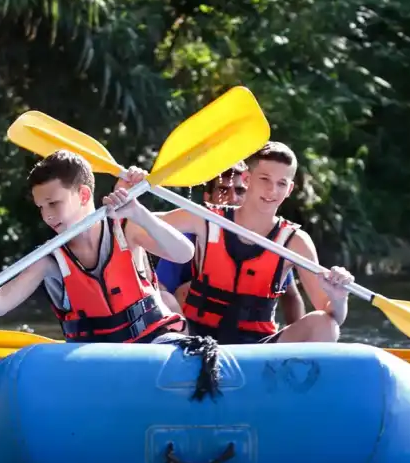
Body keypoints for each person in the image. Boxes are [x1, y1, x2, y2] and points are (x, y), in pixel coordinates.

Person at [0, 150, 194, 344]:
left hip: (152, 344)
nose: (48, 216)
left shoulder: (126, 228)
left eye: (53, 203)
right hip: (96, 357)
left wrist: (140, 214)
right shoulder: (49, 259)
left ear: (84, 195)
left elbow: (184, 254)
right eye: (41, 207)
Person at [126, 141, 354, 344]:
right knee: (164, 298)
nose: (272, 190)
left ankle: (286, 383)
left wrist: (338, 297)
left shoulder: (296, 242)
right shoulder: (206, 218)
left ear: (290, 189)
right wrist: (131, 198)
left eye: (281, 183)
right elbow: (138, 223)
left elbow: (333, 315)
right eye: (264, 179)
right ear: (247, 178)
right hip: (194, 338)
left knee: (325, 325)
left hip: (258, 348)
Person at [153, 161, 305, 325]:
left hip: (248, 336)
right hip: (192, 332)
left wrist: (293, 346)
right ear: (208, 198)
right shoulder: (186, 236)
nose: (232, 198)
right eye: (223, 190)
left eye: (240, 191)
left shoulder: (267, 239)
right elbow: (161, 291)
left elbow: (291, 296)